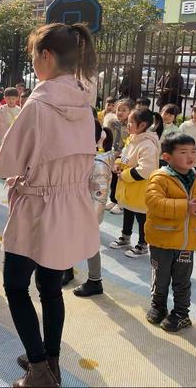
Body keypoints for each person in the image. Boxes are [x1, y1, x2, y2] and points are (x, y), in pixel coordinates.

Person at [0, 23, 100, 387]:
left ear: (46, 56)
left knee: (16, 286)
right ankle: (51, 361)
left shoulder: (39, 105)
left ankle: (38, 370)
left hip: (37, 208)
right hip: (71, 205)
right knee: (50, 288)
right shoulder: (84, 100)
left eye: (34, 55)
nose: (33, 62)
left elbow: (4, 164)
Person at [145, 133, 196, 332]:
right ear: (167, 157)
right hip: (161, 241)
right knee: (160, 277)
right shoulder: (160, 177)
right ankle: (158, 306)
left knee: (182, 281)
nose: (190, 156)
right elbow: (154, 203)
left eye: (193, 151)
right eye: (183, 152)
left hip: (185, 243)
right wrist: (185, 206)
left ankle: (182, 314)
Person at [65, 120, 115, 295]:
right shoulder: (83, 157)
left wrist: (91, 219)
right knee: (68, 239)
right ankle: (67, 269)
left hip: (87, 213)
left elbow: (99, 197)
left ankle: (95, 280)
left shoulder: (98, 164)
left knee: (90, 245)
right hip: (74, 208)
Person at [110, 108, 162, 258]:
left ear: (142, 125)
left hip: (140, 190)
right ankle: (125, 238)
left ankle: (142, 245)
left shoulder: (148, 145)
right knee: (127, 212)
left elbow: (146, 169)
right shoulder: (133, 139)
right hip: (130, 189)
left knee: (142, 218)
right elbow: (124, 155)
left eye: (131, 122)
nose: (127, 125)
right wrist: (118, 163)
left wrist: (125, 174)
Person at [105, 98, 132, 215]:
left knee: (121, 179)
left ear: (130, 112)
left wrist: (120, 153)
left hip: (124, 156)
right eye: (118, 110)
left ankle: (121, 204)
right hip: (114, 154)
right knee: (113, 178)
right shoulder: (113, 122)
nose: (120, 112)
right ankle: (113, 199)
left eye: (124, 110)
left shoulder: (130, 125)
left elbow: (128, 142)